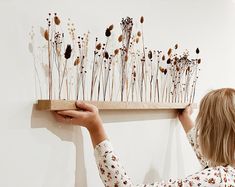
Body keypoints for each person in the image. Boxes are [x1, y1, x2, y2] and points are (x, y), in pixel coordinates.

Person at [53, 88, 235, 186]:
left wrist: (95, 127)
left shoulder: (217, 179)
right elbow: (211, 160)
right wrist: (185, 119)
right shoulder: (227, 173)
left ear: (208, 133)